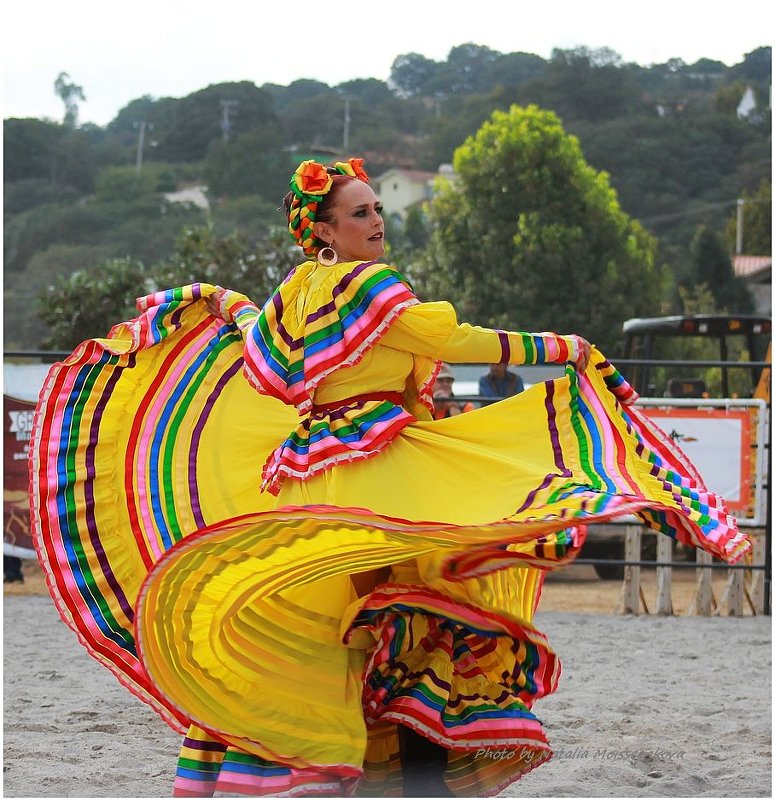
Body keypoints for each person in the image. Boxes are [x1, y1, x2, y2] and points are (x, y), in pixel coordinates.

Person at [29, 158, 750, 798]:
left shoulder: (299, 289)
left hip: (313, 474)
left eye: (376, 207)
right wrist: (561, 346)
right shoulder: (372, 287)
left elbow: (260, 354)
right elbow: (444, 340)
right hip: (377, 467)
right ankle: (409, 780)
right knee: (415, 614)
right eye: (360, 212)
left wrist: (220, 299)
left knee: (336, 633)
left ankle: (355, 772)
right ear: (326, 230)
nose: (377, 220)